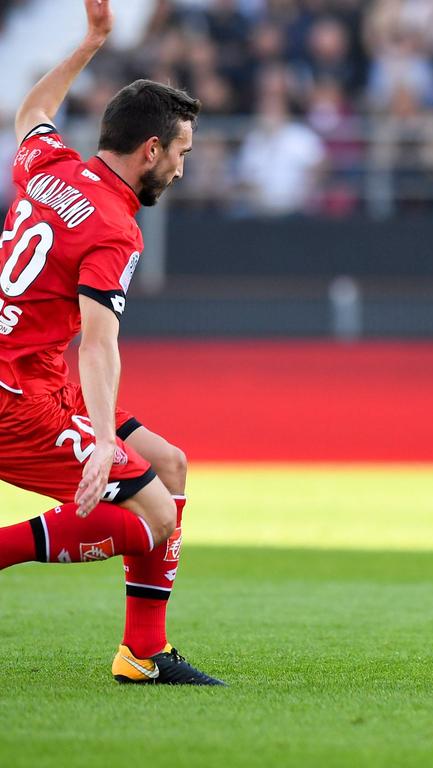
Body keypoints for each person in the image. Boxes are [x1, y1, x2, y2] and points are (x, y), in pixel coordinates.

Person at [0, 0, 222, 686]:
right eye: (180, 153)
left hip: (34, 374)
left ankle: (143, 653)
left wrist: (90, 43)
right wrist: (100, 437)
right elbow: (99, 344)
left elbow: (30, 112)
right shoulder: (114, 228)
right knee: (153, 518)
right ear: (150, 150)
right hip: (19, 399)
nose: (182, 169)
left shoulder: (53, 168)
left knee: (172, 468)